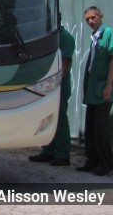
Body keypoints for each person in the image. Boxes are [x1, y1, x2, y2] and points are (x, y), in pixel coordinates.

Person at [29, 14, 75, 166]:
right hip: (47, 85)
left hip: (58, 86)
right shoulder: (47, 37)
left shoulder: (65, 37)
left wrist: (55, 83)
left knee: (60, 118)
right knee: (46, 117)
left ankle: (63, 154)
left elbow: (66, 62)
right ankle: (48, 150)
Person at [77, 6, 113, 176]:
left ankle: (105, 163)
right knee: (90, 127)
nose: (91, 21)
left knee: (101, 129)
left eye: (93, 18)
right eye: (88, 19)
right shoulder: (95, 37)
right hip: (92, 91)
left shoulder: (108, 34)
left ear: (100, 16)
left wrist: (108, 85)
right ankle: (92, 161)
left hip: (102, 90)